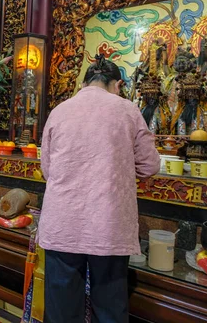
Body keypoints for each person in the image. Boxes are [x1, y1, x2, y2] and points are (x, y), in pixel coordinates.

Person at [38, 54, 160, 323]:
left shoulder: (60, 111)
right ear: (116, 85)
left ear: (83, 84)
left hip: (62, 223)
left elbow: (48, 170)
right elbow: (150, 166)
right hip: (109, 224)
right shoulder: (127, 110)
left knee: (61, 310)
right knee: (109, 308)